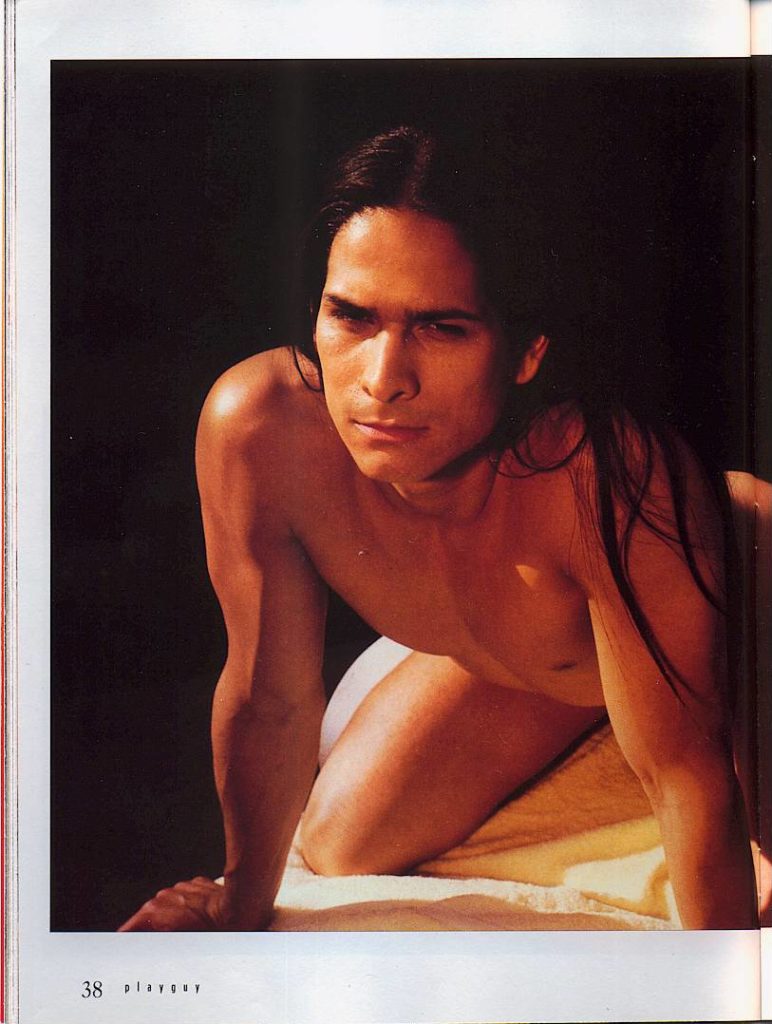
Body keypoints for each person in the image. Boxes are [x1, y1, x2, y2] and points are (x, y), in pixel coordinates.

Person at [120, 126, 765, 932]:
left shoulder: (598, 472)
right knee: (343, 838)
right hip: (557, 662)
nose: (383, 381)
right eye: (352, 317)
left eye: (440, 328)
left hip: (753, 596)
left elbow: (685, 777)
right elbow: (270, 700)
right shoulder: (258, 429)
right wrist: (235, 905)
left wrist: (715, 983)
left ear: (526, 352)